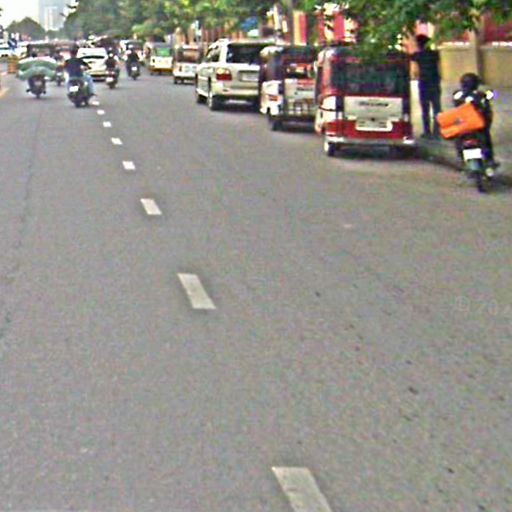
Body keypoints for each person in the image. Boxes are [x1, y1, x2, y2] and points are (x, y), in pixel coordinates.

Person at [452, 72, 498, 167]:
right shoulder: (479, 95)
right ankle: (489, 159)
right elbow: (494, 95)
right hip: (476, 124)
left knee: (459, 138)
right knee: (485, 137)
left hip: (465, 124)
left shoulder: (458, 94)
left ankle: (462, 157)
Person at [411, 34, 442, 138]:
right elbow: (439, 68)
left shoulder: (417, 55)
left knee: (425, 109)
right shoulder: (435, 54)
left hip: (424, 83)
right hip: (434, 82)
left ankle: (427, 131)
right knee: (437, 107)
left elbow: (414, 71)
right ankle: (437, 130)